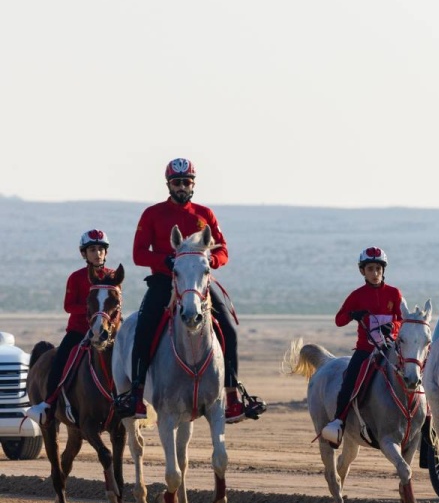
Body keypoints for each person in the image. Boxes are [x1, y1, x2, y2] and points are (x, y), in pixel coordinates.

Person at [115, 157, 266, 423]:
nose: (182, 187)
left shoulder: (205, 214)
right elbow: (139, 254)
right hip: (165, 281)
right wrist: (166, 261)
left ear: (193, 184)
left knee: (228, 327)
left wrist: (210, 262)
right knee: (143, 327)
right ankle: (136, 395)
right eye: (177, 183)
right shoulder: (152, 214)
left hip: (198, 284)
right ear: (169, 185)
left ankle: (232, 398)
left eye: (186, 182)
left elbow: (223, 250)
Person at [28, 229, 113, 425]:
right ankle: (48, 404)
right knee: (59, 361)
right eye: (92, 249)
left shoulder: (112, 276)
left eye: (101, 249)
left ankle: (136, 400)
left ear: (105, 253)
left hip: (107, 333)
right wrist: (92, 312)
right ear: (84, 253)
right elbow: (68, 306)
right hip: (79, 331)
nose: (97, 253)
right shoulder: (76, 277)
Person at [321, 246, 403, 446]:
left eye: (378, 269)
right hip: (366, 350)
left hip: (389, 349)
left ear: (383, 270)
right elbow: (338, 320)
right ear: (362, 271)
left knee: (414, 373)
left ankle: (426, 420)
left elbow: (403, 320)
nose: (375, 273)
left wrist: (393, 326)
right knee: (349, 381)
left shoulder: (394, 293)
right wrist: (352, 315)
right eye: (370, 269)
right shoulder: (357, 295)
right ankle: (338, 423)